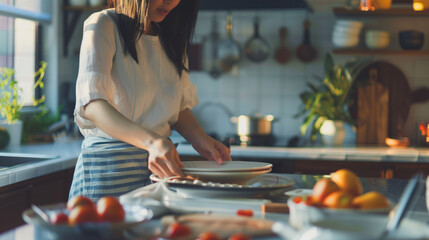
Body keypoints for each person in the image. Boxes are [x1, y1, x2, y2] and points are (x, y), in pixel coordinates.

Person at [69, 0, 231, 201]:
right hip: (107, 172)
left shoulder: (171, 40)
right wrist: (152, 142)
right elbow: (92, 104)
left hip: (156, 173)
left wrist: (200, 138)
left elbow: (177, 107)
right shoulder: (104, 24)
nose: (170, 2)